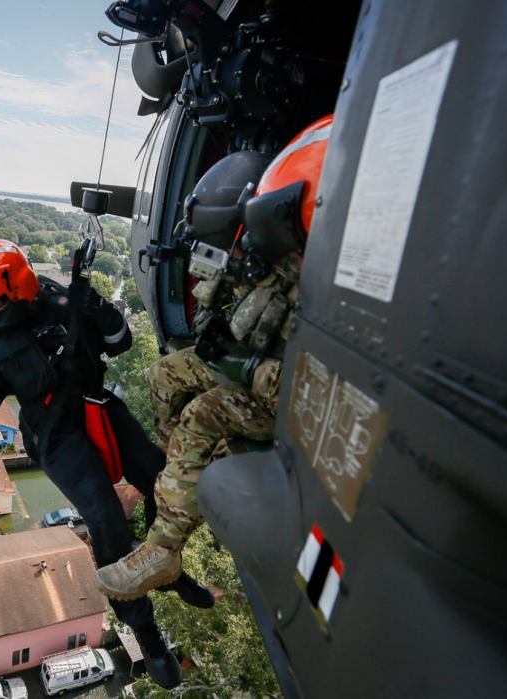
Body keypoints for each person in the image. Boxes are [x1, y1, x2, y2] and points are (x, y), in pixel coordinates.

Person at [0, 239, 210, 689]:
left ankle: (168, 567)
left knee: (165, 484)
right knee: (106, 519)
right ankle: (147, 633)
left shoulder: (57, 299)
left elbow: (119, 343)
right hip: (55, 435)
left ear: (19, 288)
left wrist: (97, 306)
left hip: (97, 405)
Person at [95, 115, 332, 601]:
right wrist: (214, 327)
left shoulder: (330, 285)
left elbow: (314, 388)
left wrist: (240, 367)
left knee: (201, 416)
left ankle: (164, 547)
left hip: (286, 396)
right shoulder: (276, 253)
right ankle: (175, 473)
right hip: (250, 362)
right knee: (163, 374)